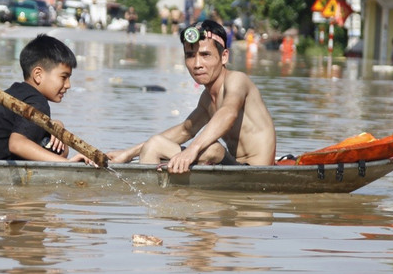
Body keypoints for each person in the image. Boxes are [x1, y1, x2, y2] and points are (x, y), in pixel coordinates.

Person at [107, 18, 277, 173]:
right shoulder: (207, 98)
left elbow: (228, 112)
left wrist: (191, 151)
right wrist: (127, 155)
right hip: (234, 168)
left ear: (224, 56)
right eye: (190, 56)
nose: (197, 64)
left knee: (213, 150)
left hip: (257, 171)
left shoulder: (237, 80)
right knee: (154, 144)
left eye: (205, 55)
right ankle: (152, 199)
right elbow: (186, 129)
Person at [0, 34, 86, 162]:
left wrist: (54, 125)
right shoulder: (37, 102)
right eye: (64, 77)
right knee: (59, 150)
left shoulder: (17, 93)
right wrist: (65, 164)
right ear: (38, 74)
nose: (68, 85)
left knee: (55, 144)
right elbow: (17, 144)